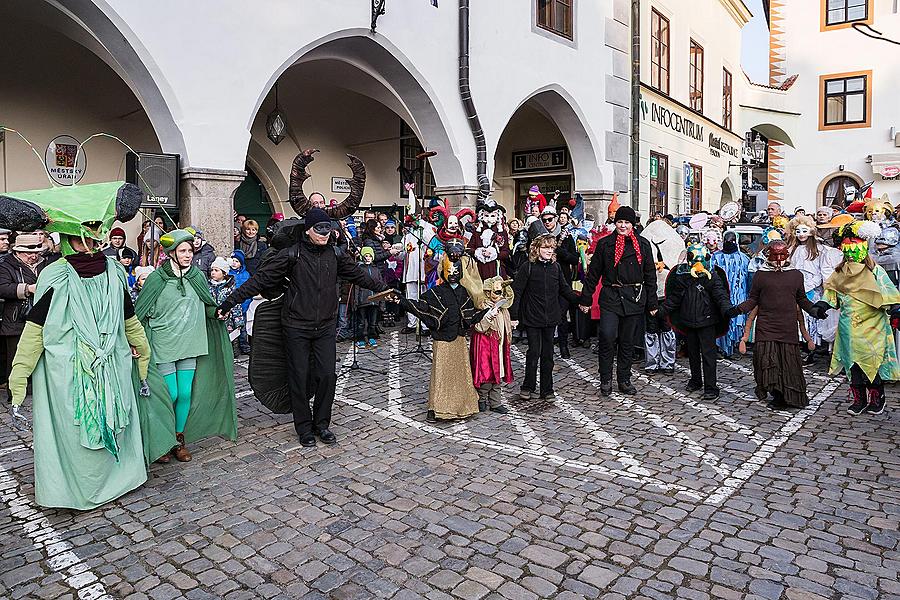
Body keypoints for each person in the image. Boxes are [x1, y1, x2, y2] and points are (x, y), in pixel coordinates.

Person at [3, 180, 150, 509]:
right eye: (82, 236)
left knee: (116, 418)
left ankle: (120, 479)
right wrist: (20, 373)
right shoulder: (55, 275)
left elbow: (128, 316)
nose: (89, 242)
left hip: (111, 365)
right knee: (77, 427)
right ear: (70, 239)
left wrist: (142, 351)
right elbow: (36, 327)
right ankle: (80, 490)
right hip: (70, 372)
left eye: (93, 234)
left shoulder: (113, 270)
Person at [217, 208, 387, 446]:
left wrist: (384, 289)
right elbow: (260, 280)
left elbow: (360, 275)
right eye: (320, 229)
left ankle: (322, 424)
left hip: (326, 326)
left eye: (328, 229)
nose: (325, 234)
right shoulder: (291, 255)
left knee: (327, 375)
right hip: (296, 325)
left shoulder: (336, 256)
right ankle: (304, 428)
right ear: (308, 230)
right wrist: (230, 300)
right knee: (298, 376)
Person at [136, 229, 238, 463]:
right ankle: (162, 441)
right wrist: (135, 341)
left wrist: (218, 313)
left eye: (190, 251)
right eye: (182, 251)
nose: (188, 255)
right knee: (168, 394)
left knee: (185, 393)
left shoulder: (197, 277)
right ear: (170, 253)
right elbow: (139, 313)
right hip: (163, 343)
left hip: (190, 341)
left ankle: (178, 438)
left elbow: (206, 305)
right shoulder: (155, 279)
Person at [734, 240, 826, 409]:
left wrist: (815, 311)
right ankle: (776, 394)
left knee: (788, 362)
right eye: (774, 255)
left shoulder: (796, 275)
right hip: (766, 325)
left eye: (782, 255)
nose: (778, 259)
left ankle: (788, 396)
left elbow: (801, 299)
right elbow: (753, 299)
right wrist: (737, 310)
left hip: (787, 326)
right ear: (768, 255)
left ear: (787, 255)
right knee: (767, 361)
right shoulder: (760, 275)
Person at [821, 221, 900, 415]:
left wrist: (896, 308)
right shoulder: (840, 272)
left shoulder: (875, 271)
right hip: (849, 326)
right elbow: (832, 293)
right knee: (853, 363)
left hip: (872, 325)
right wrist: (822, 305)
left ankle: (877, 397)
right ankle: (859, 399)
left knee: (871, 361)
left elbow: (888, 291)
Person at [578, 205, 658, 396]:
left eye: (626, 222)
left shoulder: (643, 244)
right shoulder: (606, 244)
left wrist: (652, 302)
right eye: (620, 222)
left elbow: (650, 275)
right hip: (611, 296)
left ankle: (624, 379)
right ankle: (605, 378)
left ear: (633, 224)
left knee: (627, 341)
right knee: (607, 335)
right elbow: (593, 273)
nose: (622, 226)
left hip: (634, 297)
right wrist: (586, 298)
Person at [401, 255, 490, 422]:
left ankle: (461, 407)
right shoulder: (436, 292)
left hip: (459, 339)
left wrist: (487, 312)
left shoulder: (464, 292)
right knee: (441, 374)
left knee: (460, 374)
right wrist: (403, 301)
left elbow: (470, 314)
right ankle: (436, 408)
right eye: (450, 271)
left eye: (457, 270)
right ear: (443, 271)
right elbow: (423, 308)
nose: (453, 274)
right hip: (442, 340)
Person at [658, 243, 735, 400]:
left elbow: (720, 295)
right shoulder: (682, 276)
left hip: (707, 322)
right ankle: (695, 380)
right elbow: (675, 298)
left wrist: (728, 310)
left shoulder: (713, 276)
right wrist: (660, 312)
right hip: (689, 321)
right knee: (692, 353)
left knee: (708, 355)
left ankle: (711, 387)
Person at [511, 235, 578, 400]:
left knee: (548, 355)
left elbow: (565, 289)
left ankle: (547, 389)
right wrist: (514, 316)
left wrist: (581, 302)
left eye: (551, 248)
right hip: (533, 317)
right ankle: (528, 385)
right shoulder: (528, 267)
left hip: (551, 318)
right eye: (545, 248)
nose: (549, 251)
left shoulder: (556, 268)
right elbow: (517, 292)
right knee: (534, 352)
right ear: (537, 249)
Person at [0, 233, 46, 402]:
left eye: (36, 252)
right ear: (18, 252)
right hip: (15, 319)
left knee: (38, 356)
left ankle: (36, 391)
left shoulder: (44, 263)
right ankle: (15, 394)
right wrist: (27, 288)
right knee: (15, 357)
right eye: (29, 253)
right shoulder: (6, 266)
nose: (34, 256)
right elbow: (3, 288)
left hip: (40, 317)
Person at [641, 219, 684, 373]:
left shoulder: (674, 241)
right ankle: (652, 363)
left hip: (666, 296)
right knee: (651, 329)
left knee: (666, 328)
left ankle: (667, 362)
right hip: (651, 295)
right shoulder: (646, 239)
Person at [470, 276, 512, 414]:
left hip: (499, 345)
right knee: (487, 375)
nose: (500, 295)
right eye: (497, 292)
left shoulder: (503, 309)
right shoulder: (482, 307)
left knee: (498, 374)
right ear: (488, 292)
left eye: (502, 292)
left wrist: (510, 325)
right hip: (486, 346)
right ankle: (481, 399)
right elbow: (479, 327)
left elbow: (503, 324)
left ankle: (495, 402)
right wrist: (488, 317)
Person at [712, 230, 750, 358]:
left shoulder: (744, 259)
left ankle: (733, 346)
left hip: (739, 295)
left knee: (736, 320)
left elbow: (748, 279)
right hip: (721, 295)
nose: (729, 242)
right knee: (721, 319)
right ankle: (719, 347)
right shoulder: (715, 257)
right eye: (727, 240)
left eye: (732, 240)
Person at [208, 256, 244, 354]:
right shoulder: (208, 286)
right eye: (212, 270)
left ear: (224, 273)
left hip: (228, 322)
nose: (213, 272)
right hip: (213, 321)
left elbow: (236, 305)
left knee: (228, 344)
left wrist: (238, 322)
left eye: (216, 270)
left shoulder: (230, 288)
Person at [353, 247, 384, 348]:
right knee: (361, 322)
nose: (368, 258)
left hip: (374, 300)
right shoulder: (359, 269)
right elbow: (356, 286)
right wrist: (356, 300)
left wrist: (381, 301)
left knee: (373, 322)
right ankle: (360, 338)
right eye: (366, 256)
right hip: (363, 299)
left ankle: (371, 337)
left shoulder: (376, 270)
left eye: (370, 256)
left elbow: (380, 285)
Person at [229, 250, 252, 355]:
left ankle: (244, 346)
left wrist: (247, 304)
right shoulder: (228, 273)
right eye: (233, 260)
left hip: (243, 305)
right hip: (232, 306)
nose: (234, 263)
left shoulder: (246, 275)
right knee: (231, 329)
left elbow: (249, 290)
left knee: (243, 329)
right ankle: (233, 348)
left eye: (237, 261)